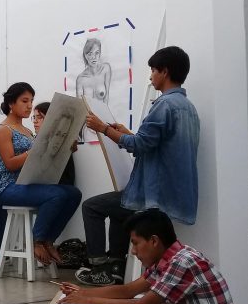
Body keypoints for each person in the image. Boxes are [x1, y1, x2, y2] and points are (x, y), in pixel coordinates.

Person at [76, 46, 200, 286]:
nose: (151, 76)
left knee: (92, 206)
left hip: (156, 195)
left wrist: (104, 128)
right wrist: (126, 133)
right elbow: (156, 146)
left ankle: (100, 267)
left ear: (164, 72)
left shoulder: (164, 105)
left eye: (153, 70)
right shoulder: (188, 108)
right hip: (175, 194)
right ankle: (115, 268)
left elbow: (139, 145)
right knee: (120, 207)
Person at [59, 209, 236, 304]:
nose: (133, 251)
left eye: (135, 243)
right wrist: (82, 292)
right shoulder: (166, 259)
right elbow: (128, 290)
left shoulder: (183, 262)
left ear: (153, 241)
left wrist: (88, 300)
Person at [0, 82, 82, 266]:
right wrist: (34, 151)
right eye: (24, 101)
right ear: (11, 103)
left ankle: (48, 240)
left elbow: (41, 158)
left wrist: (67, 147)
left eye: (31, 101)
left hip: (24, 183)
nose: (29, 105)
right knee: (57, 194)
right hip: (6, 188)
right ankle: (37, 240)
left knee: (74, 193)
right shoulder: (3, 130)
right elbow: (10, 164)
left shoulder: (27, 131)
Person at [32, 102, 77, 187]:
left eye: (39, 117)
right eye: (34, 117)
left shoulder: (62, 145)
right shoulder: (34, 142)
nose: (35, 121)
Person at [76, 38, 111, 103]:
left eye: (97, 53)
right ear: (85, 56)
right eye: (90, 54)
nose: (94, 57)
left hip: (103, 109)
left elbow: (106, 97)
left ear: (100, 53)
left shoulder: (106, 69)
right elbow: (79, 105)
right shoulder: (80, 79)